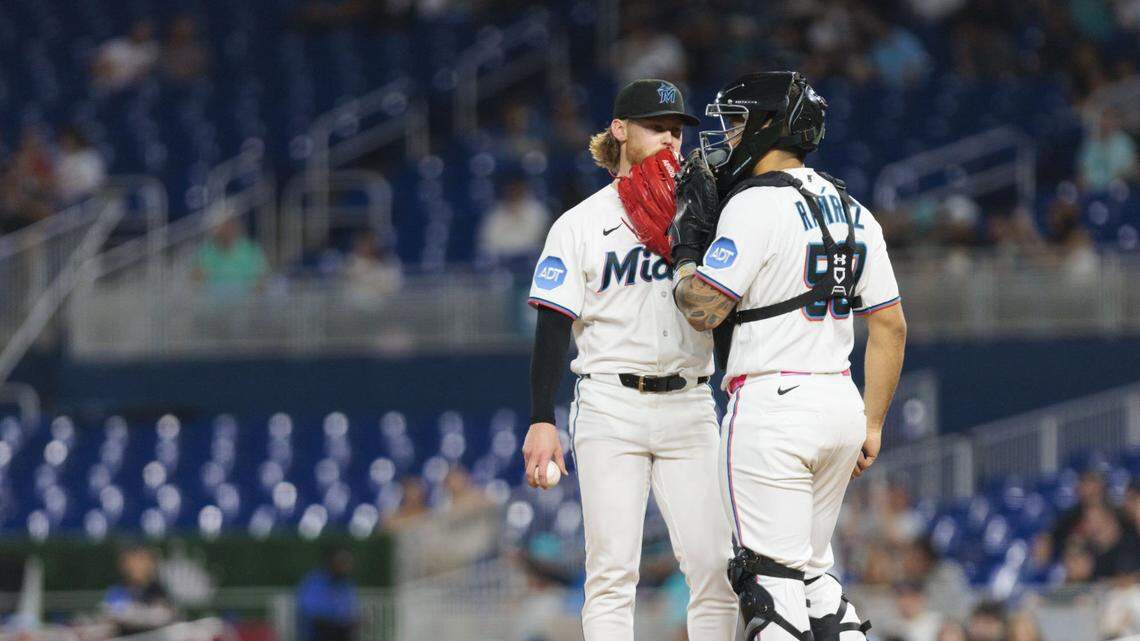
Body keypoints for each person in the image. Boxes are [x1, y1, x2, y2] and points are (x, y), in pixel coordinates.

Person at [671, 71, 906, 641]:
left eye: (736, 122)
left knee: (768, 585)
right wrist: (873, 423)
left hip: (773, 407)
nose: (728, 135)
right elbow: (891, 326)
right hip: (840, 405)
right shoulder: (854, 208)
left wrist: (685, 251)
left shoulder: (753, 204)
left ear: (767, 126)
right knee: (812, 577)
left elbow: (702, 308)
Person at [521, 79, 738, 641]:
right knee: (612, 573)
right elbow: (552, 326)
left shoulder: (703, 218)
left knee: (715, 567)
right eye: (656, 127)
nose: (670, 139)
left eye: (676, 130)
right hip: (610, 404)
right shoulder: (579, 224)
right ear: (619, 130)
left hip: (690, 401)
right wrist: (541, 418)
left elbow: (728, 313)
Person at [101, 543, 177, 636]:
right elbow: (115, 614)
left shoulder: (158, 590)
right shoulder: (118, 590)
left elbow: (165, 616)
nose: (138, 565)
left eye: (143, 560)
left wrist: (135, 614)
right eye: (133, 561)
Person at [296, 546, 359, 641]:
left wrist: (353, 621)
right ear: (331, 562)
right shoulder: (315, 581)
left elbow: (349, 611)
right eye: (342, 562)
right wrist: (340, 622)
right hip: (317, 634)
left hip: (341, 634)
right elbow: (311, 613)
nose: (347, 566)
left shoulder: (346, 585)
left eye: (348, 562)